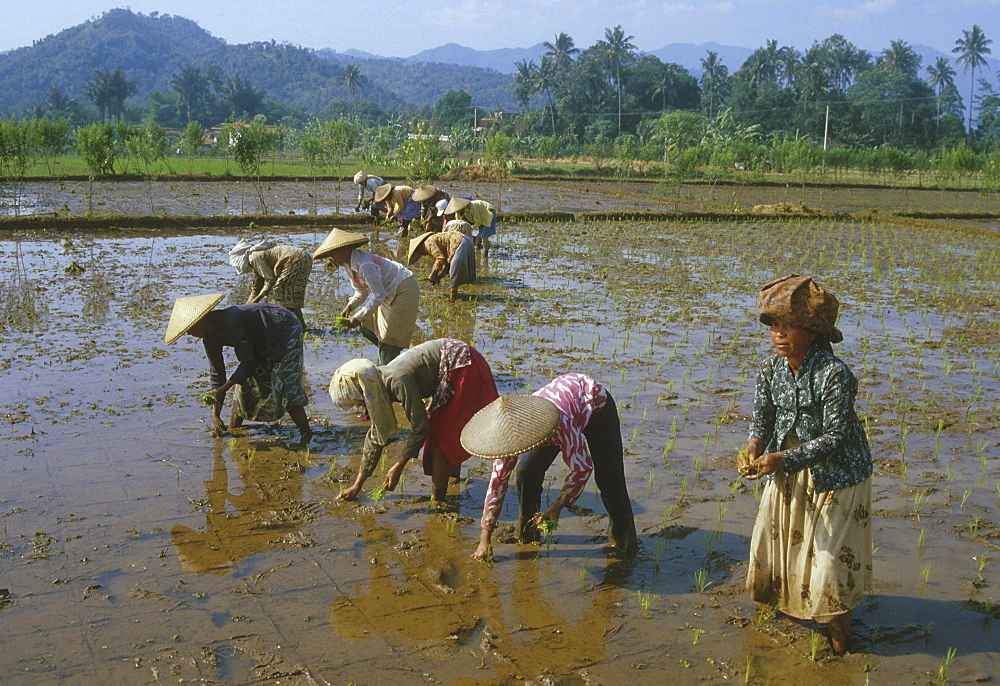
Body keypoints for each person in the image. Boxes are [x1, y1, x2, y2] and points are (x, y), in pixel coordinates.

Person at [737, 274, 873, 655]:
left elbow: (836, 437)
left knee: (831, 559)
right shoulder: (771, 370)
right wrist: (753, 448)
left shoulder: (834, 375)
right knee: (779, 543)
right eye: (775, 326)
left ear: (813, 332)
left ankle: (840, 636)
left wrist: (782, 459)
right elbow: (762, 421)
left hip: (837, 473)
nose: (779, 334)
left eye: (789, 326)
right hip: (789, 469)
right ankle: (787, 608)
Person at [461, 373, 639, 561]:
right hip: (562, 411)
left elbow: (582, 468)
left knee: (609, 480)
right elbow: (497, 484)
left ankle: (626, 544)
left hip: (596, 408)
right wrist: (484, 539)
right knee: (526, 472)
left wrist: (557, 506)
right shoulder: (508, 437)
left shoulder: (561, 425)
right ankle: (527, 534)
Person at [330, 338, 499, 503]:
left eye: (357, 402)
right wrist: (357, 486)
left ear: (365, 391)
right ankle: (452, 481)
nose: (358, 407)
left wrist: (399, 465)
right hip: (450, 364)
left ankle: (439, 501)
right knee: (445, 430)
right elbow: (375, 437)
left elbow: (421, 427)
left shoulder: (396, 380)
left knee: (440, 438)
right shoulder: (377, 384)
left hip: (460, 363)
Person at [164, 293, 311, 444]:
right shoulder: (209, 339)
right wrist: (216, 415)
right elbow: (217, 375)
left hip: (283, 327)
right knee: (243, 385)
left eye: (190, 329)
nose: (190, 334)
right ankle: (231, 432)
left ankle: (306, 434)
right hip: (258, 339)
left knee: (286, 381)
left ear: (201, 321)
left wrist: (225, 388)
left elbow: (248, 362)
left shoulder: (229, 321)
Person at [313, 228, 419, 364]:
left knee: (390, 337)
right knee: (366, 324)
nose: (333, 258)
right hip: (386, 292)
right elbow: (361, 291)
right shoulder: (347, 265)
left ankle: (387, 367)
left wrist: (357, 316)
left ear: (344, 250)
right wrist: (350, 306)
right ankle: (391, 356)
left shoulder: (365, 264)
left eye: (334, 254)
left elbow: (378, 295)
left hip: (403, 288)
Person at [228, 238, 312, 327]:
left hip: (295, 260)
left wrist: (258, 298)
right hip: (303, 257)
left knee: (275, 296)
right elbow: (256, 288)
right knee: (289, 296)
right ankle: (302, 325)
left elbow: (271, 279)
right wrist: (246, 308)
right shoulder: (255, 259)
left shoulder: (253, 258)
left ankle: (279, 326)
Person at [407, 231, 476, 301]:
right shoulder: (435, 241)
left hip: (458, 242)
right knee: (455, 267)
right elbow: (447, 266)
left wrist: (432, 275)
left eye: (419, 253)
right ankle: (453, 297)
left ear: (419, 248)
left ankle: (452, 299)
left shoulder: (427, 243)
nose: (424, 255)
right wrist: (439, 276)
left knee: (455, 270)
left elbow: (440, 259)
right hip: (467, 240)